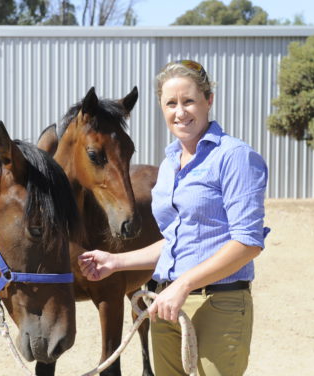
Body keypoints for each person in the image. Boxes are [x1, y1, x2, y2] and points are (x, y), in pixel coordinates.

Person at [78, 60, 269, 376]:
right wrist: (115, 262)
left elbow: (248, 243)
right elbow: (175, 241)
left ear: (208, 100)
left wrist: (183, 286)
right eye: (171, 103)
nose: (180, 112)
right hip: (165, 304)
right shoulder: (169, 166)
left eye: (189, 101)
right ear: (161, 108)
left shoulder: (235, 156)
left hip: (218, 303)